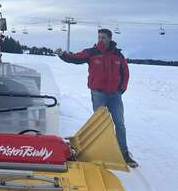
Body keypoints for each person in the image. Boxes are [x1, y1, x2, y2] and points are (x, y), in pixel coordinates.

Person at [55, 28, 138, 168]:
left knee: (120, 124)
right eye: (99, 37)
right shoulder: (91, 52)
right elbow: (75, 58)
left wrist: (121, 89)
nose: (100, 40)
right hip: (99, 94)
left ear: (110, 39)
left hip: (115, 96)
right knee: (101, 124)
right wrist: (63, 54)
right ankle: (103, 152)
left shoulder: (118, 55)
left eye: (103, 37)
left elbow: (125, 73)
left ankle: (124, 154)